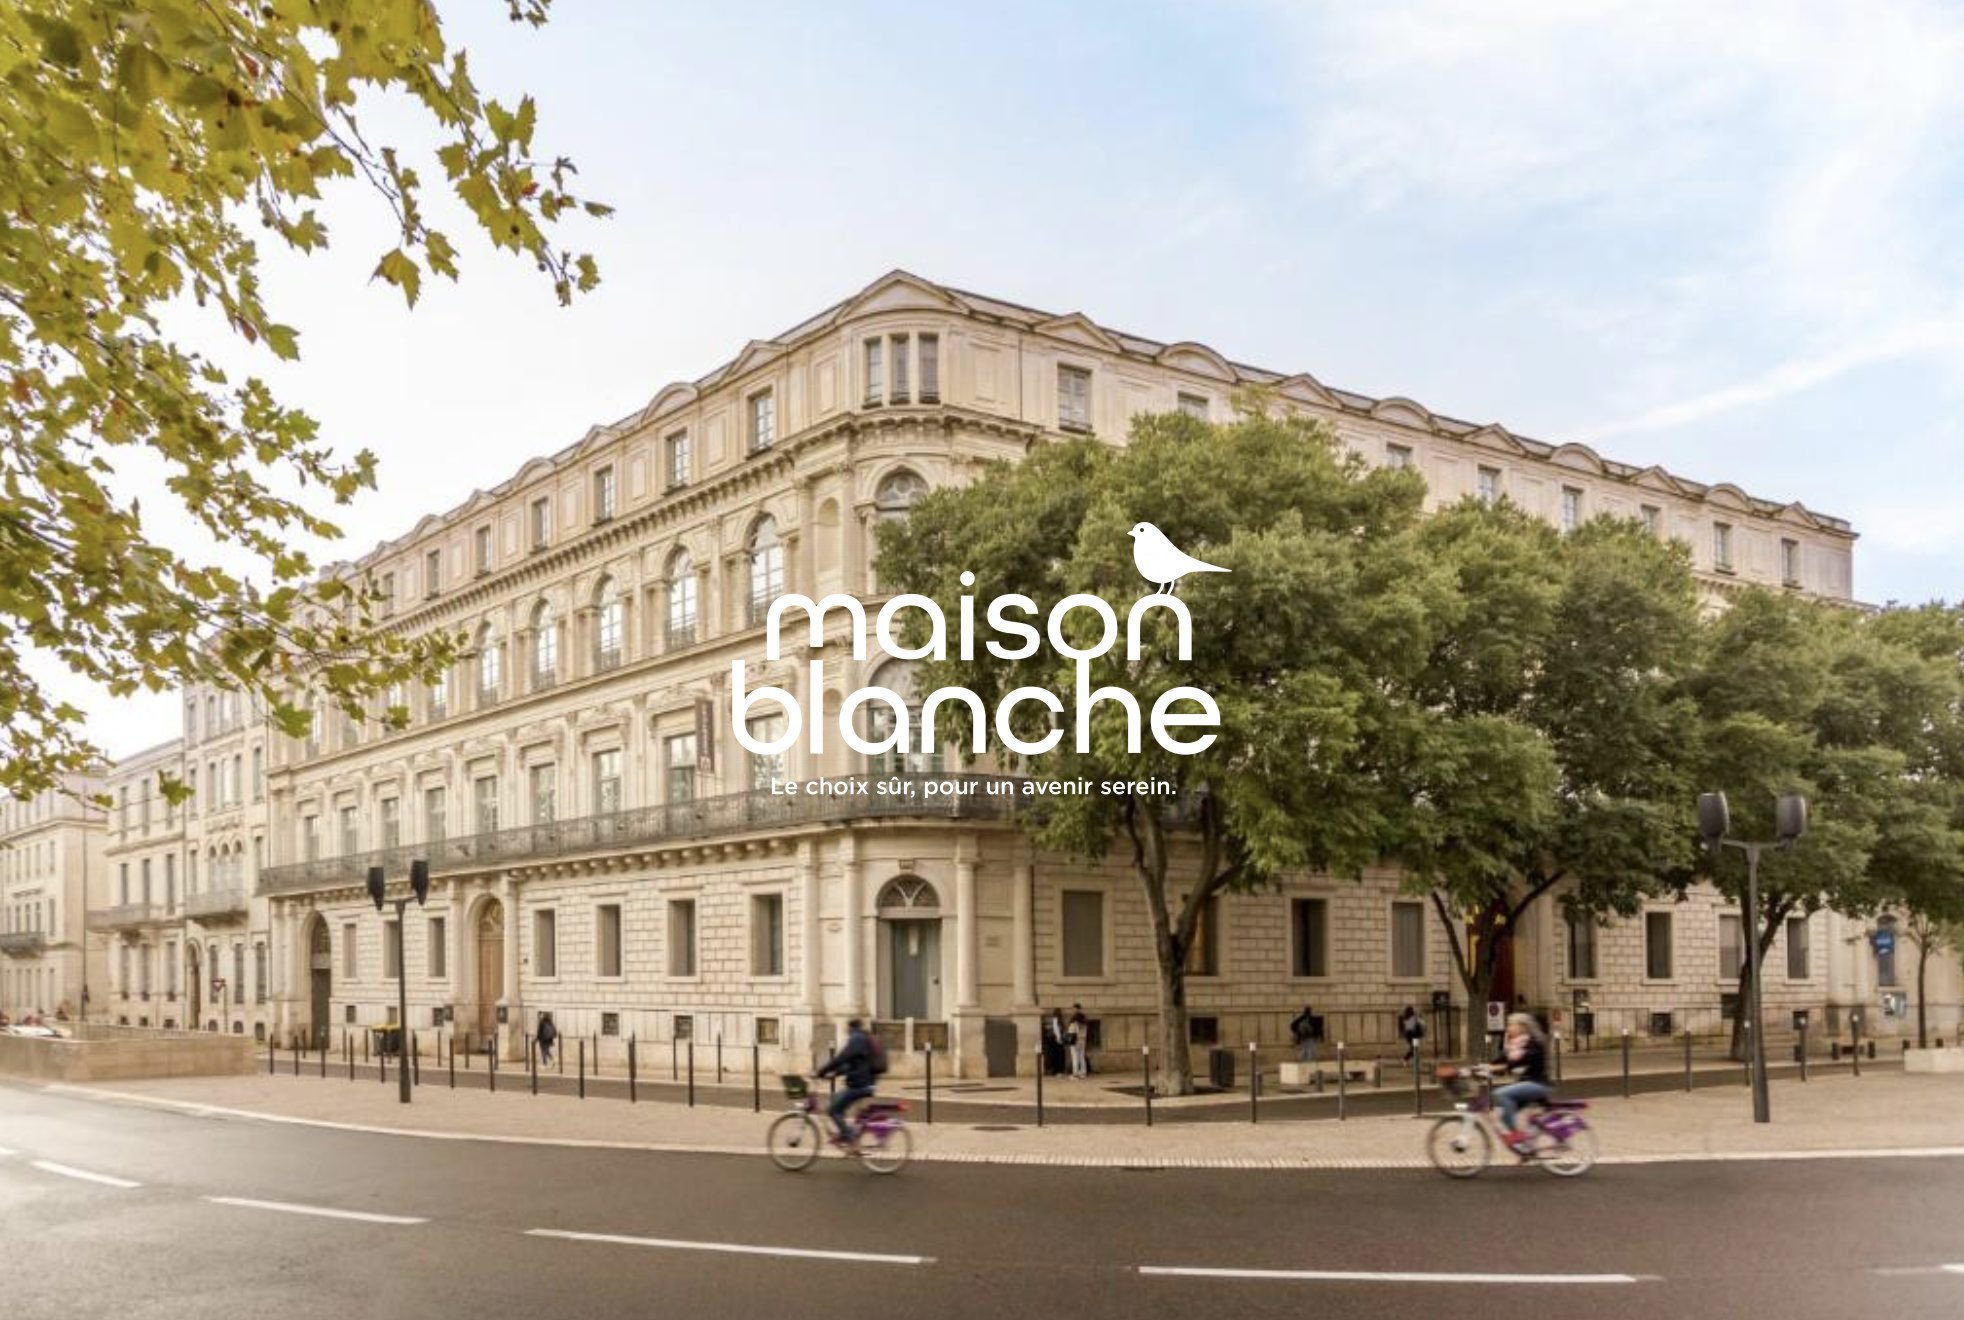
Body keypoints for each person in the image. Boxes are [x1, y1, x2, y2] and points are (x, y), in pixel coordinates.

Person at [1490, 1011, 1552, 1153]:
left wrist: (1502, 1067)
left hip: (1538, 1084)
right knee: (1504, 1115)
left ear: (1522, 1027)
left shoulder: (1533, 1043)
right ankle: (1525, 1144)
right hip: (1526, 1083)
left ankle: (1518, 1138)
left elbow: (1521, 1060)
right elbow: (1501, 1060)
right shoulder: (1516, 1045)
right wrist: (1481, 1067)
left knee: (1500, 1094)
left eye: (1512, 1025)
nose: (1508, 1028)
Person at [815, 1018, 880, 1145]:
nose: (846, 1031)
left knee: (833, 1110)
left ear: (850, 1028)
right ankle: (846, 1131)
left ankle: (849, 1137)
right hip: (862, 1082)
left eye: (847, 1029)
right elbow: (851, 1064)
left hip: (860, 1085)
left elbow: (841, 1058)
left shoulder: (856, 1039)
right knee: (835, 1099)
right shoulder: (861, 1038)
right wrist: (835, 1074)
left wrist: (821, 1072)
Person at [1043, 1008, 1069, 1076]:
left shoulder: (1055, 1020)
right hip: (1057, 1040)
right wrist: (1059, 1038)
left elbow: (1056, 1029)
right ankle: (1059, 1070)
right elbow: (1056, 1030)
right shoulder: (1057, 1020)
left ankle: (1057, 1070)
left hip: (1056, 1040)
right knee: (1059, 1055)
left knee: (1056, 1055)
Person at [1068, 1004, 1090, 1078]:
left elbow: (1072, 1032)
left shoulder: (1074, 1023)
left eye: (1073, 1009)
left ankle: (1075, 1072)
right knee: (1081, 1057)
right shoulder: (1084, 1023)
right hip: (1082, 1040)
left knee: (1075, 1057)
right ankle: (1083, 1072)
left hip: (1075, 1041)